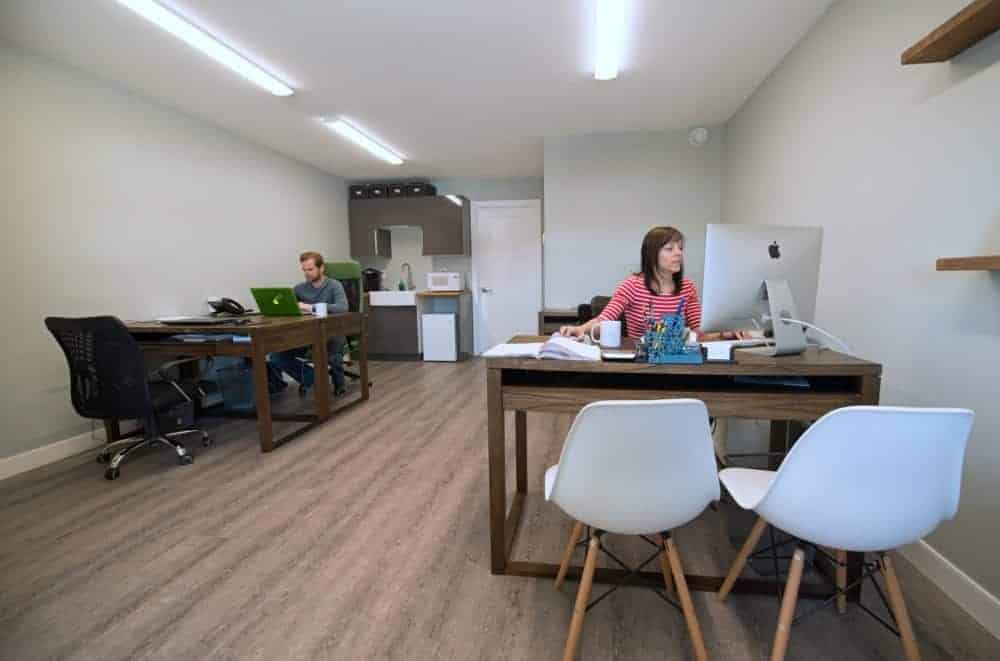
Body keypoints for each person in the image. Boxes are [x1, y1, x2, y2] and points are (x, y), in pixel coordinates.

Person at [559, 226, 752, 342]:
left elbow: (699, 332)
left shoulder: (687, 287)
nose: (678, 253)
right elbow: (604, 319)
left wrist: (724, 334)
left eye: (680, 248)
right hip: (641, 363)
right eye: (669, 248)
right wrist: (580, 330)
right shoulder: (631, 286)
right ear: (652, 255)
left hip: (679, 362)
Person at [271, 251, 349, 396]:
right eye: (304, 270)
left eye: (310, 269)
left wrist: (311, 307)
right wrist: (277, 300)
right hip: (307, 335)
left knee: (330, 354)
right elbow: (279, 301)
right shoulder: (299, 288)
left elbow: (343, 307)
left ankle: (338, 382)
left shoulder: (334, 286)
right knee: (276, 356)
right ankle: (314, 379)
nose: (307, 273)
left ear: (321, 268)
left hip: (331, 334)